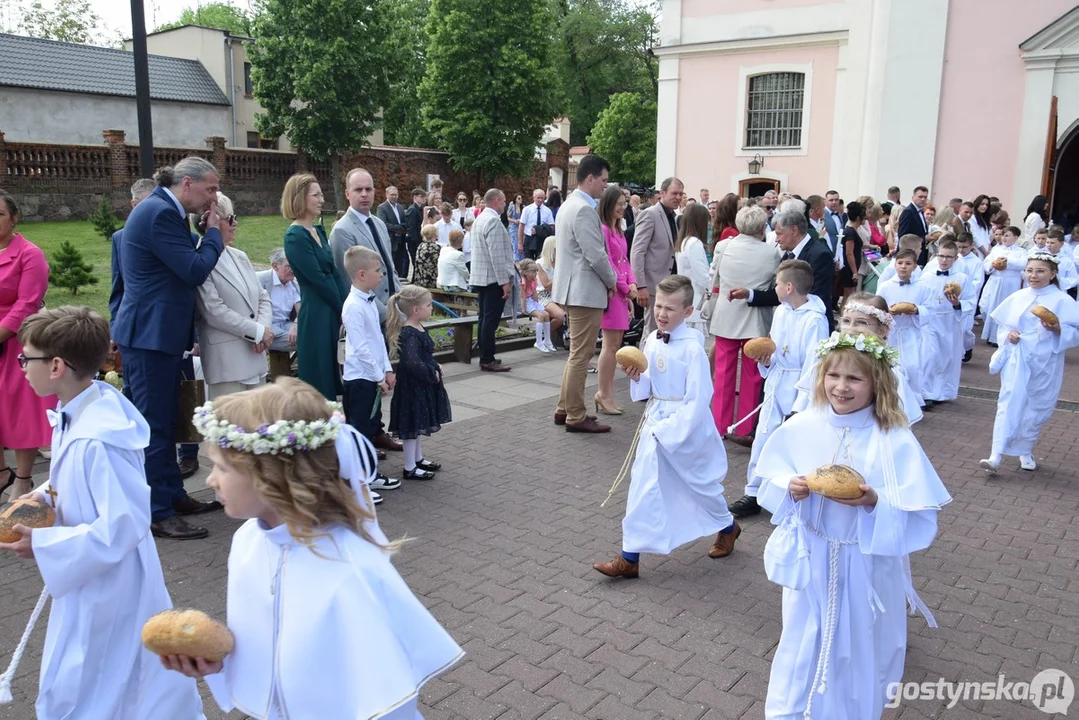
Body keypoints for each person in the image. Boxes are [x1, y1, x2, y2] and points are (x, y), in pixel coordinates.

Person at [164, 379, 463, 717]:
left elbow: (382, 696)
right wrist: (217, 664)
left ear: (271, 474)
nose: (210, 480)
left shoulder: (350, 571)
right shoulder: (248, 541)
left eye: (221, 467)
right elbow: (271, 651)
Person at [6, 306, 204, 717]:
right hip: (92, 576)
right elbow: (74, 477)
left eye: (27, 358)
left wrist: (44, 543)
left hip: (112, 585)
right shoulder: (83, 411)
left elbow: (125, 521)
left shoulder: (98, 438)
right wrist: (42, 497)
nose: (21, 366)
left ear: (56, 365)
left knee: (101, 678)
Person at [756, 332, 950, 718]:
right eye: (833, 376)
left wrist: (875, 502)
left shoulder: (894, 439)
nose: (841, 387)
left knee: (861, 646)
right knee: (803, 640)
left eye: (854, 379)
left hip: (866, 565)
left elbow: (918, 513)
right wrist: (789, 487)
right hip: (812, 559)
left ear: (876, 384)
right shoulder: (802, 426)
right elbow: (770, 481)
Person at [593, 275, 739, 579]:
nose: (661, 313)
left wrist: (671, 430)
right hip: (656, 418)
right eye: (659, 306)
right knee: (643, 486)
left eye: (670, 309)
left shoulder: (692, 349)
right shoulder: (651, 340)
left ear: (687, 312)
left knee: (698, 485)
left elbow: (699, 398)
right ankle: (629, 556)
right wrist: (636, 377)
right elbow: (649, 384)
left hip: (686, 427)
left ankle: (728, 525)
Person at [112, 158, 224, 540]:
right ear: (187, 183)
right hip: (148, 337)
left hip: (158, 335)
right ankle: (157, 511)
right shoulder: (159, 213)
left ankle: (173, 496)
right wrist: (213, 235)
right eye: (210, 189)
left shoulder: (165, 210)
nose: (214, 197)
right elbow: (193, 269)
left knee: (165, 422)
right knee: (153, 427)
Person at [728, 260, 828, 520]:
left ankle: (786, 497)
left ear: (789, 286)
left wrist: (799, 406)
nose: (775, 287)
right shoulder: (782, 311)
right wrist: (767, 361)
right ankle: (754, 492)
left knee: (791, 446)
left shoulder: (815, 320)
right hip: (776, 381)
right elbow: (775, 346)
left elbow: (814, 364)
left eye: (777, 284)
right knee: (763, 437)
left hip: (796, 387)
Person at [980, 252, 1079, 473]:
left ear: (1053, 274)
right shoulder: (1019, 296)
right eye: (1030, 270)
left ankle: (1025, 449)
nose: (1033, 276)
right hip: (1018, 356)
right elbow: (1004, 326)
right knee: (1008, 400)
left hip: (1047, 359)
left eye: (1040, 271)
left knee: (1037, 405)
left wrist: (1058, 328)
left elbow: (1075, 331)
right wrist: (1009, 335)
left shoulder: (1063, 300)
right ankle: (995, 453)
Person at [552, 155, 619, 433]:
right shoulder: (582, 209)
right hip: (584, 291)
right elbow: (596, 255)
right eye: (603, 180)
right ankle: (575, 415)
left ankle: (564, 408)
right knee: (582, 354)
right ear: (590, 178)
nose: (605, 186)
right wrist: (613, 280)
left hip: (574, 289)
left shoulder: (570, 205)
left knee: (577, 354)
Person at [0, 190, 54, 499]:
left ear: (14, 218)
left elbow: (28, 303)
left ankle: (22, 477)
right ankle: (1, 473)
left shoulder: (29, 254)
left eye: (0, 215)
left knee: (19, 410)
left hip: (18, 342)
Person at [193, 193, 272, 401]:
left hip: (255, 355)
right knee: (229, 428)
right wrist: (255, 332)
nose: (235, 222)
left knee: (259, 425)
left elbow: (262, 297)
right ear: (211, 221)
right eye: (230, 218)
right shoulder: (200, 259)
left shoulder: (240, 256)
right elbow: (213, 311)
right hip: (226, 362)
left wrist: (262, 331)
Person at [709, 206, 778, 441]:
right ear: (762, 227)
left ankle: (720, 424)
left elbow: (713, 277)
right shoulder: (771, 253)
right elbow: (773, 285)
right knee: (752, 375)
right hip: (756, 316)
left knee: (723, 372)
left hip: (727, 312)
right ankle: (744, 426)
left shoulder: (723, 246)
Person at [281, 173, 347, 402]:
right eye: (316, 195)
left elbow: (334, 271)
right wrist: (342, 307)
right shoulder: (295, 236)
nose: (321, 199)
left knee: (336, 373)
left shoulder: (317, 230)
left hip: (332, 308)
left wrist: (347, 304)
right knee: (320, 383)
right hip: (318, 313)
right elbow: (318, 279)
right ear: (300, 198)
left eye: (321, 194)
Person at [341, 246, 400, 499]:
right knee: (360, 431)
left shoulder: (368, 301)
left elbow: (377, 340)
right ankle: (358, 483)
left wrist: (387, 369)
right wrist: (378, 376)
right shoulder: (353, 305)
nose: (381, 275)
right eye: (378, 271)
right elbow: (361, 348)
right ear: (362, 274)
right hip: (360, 378)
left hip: (373, 374)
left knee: (371, 426)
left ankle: (371, 476)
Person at [385, 286, 450, 480]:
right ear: (415, 309)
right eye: (429, 305)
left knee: (417, 423)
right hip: (412, 387)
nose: (432, 308)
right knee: (411, 426)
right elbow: (411, 362)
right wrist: (432, 372)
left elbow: (422, 356)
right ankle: (409, 466)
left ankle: (418, 458)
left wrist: (434, 364)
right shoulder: (410, 333)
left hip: (420, 386)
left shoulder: (418, 328)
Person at [744, 202, 837, 331]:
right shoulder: (790, 254)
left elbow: (814, 296)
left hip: (811, 326)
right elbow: (780, 291)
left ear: (794, 230)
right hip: (792, 323)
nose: (776, 239)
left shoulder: (819, 255)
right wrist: (749, 294)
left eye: (779, 233)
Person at [329, 169, 401, 323]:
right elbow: (350, 281)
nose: (364, 194)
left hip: (395, 307)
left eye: (368, 189)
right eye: (358, 189)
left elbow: (389, 267)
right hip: (370, 315)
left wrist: (401, 306)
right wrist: (386, 316)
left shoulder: (379, 224)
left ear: (374, 192)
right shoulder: (342, 230)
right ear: (348, 194)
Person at [596, 185, 637, 414]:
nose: (623, 208)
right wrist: (625, 288)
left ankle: (606, 393)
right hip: (612, 293)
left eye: (624, 203)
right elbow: (608, 263)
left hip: (621, 291)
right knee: (610, 347)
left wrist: (631, 283)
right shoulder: (603, 230)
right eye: (619, 204)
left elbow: (624, 261)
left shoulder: (618, 230)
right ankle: (604, 393)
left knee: (615, 345)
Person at [917, 239, 974, 405]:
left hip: (949, 321)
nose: (944, 260)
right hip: (930, 321)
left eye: (948, 257)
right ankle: (926, 393)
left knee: (947, 357)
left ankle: (941, 392)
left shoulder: (962, 278)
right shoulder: (927, 276)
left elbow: (970, 300)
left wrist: (957, 304)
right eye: (941, 256)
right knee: (929, 355)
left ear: (955, 259)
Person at [470, 189, 516, 373]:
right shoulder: (493, 221)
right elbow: (497, 255)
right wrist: (504, 281)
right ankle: (487, 359)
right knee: (490, 321)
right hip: (493, 279)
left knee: (484, 319)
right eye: (504, 201)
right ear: (496, 200)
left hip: (482, 276)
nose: (505, 204)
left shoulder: (480, 219)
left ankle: (486, 356)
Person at [630, 177, 683, 337]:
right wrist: (641, 286)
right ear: (662, 193)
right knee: (651, 332)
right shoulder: (650, 214)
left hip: (670, 284)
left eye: (681, 194)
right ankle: (643, 362)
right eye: (674, 193)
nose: (678, 198)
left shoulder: (674, 217)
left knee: (665, 331)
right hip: (653, 285)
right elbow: (637, 251)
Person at [876, 249, 931, 400]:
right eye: (900, 263)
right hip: (892, 333)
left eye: (908, 263)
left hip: (911, 332)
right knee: (892, 367)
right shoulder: (886, 286)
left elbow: (930, 308)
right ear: (895, 265)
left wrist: (916, 309)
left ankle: (913, 399)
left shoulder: (922, 287)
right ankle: (891, 398)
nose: (903, 267)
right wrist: (887, 313)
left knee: (913, 367)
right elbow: (877, 306)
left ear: (915, 266)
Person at [108, 178, 156, 323]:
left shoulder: (182, 237)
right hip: (135, 320)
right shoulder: (119, 239)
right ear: (135, 205)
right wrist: (115, 326)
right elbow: (118, 287)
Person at [980, 226, 1028, 345]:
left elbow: (1023, 264)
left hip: (1010, 283)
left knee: (1006, 310)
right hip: (995, 281)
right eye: (1003, 235)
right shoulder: (996, 250)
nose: (1004, 238)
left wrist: (1007, 260)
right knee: (986, 306)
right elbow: (986, 264)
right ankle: (990, 333)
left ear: (1015, 237)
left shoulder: (1021, 251)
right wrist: (992, 264)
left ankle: (999, 338)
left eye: (1007, 235)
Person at [673, 203, 710, 334]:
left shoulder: (684, 241)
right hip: (696, 297)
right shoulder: (694, 243)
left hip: (687, 294)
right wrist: (712, 289)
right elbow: (702, 276)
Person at [257, 248, 301, 353]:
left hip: (286, 324)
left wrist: (296, 325)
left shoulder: (294, 284)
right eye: (289, 266)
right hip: (268, 325)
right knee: (305, 341)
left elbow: (301, 309)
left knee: (311, 334)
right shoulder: (259, 279)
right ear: (275, 266)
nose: (293, 270)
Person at [953, 233, 984, 361]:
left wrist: (965, 290)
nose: (961, 250)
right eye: (959, 247)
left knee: (966, 327)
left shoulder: (976, 262)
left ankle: (968, 346)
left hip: (967, 298)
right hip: (954, 298)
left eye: (964, 247)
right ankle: (958, 352)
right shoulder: (955, 259)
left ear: (971, 246)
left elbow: (978, 281)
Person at [517, 259, 556, 353]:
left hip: (531, 301)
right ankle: (538, 341)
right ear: (525, 272)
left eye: (536, 271)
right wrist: (524, 309)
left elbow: (534, 293)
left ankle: (547, 340)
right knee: (540, 316)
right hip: (525, 302)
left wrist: (537, 304)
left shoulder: (534, 280)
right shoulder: (522, 282)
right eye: (533, 271)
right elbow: (522, 296)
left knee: (546, 314)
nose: (536, 273)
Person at [535, 236, 565, 348]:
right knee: (560, 315)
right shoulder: (540, 263)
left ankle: (554, 338)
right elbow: (546, 285)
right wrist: (560, 274)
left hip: (558, 294)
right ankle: (545, 337)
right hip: (543, 295)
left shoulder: (559, 262)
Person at [376, 185, 408, 277]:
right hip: (391, 241)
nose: (394, 197)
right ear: (386, 194)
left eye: (396, 195)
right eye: (392, 194)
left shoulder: (400, 207)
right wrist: (398, 229)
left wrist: (401, 230)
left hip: (401, 242)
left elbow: (405, 223)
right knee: (391, 266)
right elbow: (383, 224)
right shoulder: (382, 208)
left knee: (400, 266)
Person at [839, 201, 867, 299]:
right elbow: (849, 253)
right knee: (848, 295)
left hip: (850, 268)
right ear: (859, 218)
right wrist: (855, 272)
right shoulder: (850, 232)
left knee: (849, 295)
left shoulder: (851, 231)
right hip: (849, 269)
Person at [518, 188, 555, 260]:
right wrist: (520, 243)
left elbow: (552, 226)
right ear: (534, 197)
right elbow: (521, 226)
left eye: (542, 198)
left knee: (540, 262)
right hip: (529, 238)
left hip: (541, 239)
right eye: (538, 198)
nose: (540, 200)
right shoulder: (527, 209)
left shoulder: (547, 211)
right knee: (528, 262)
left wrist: (539, 229)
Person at [898, 186, 930, 264]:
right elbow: (903, 235)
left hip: (920, 252)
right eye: (920, 197)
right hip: (910, 254)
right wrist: (924, 238)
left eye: (925, 197)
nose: (923, 199)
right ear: (913, 197)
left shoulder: (920, 211)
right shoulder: (908, 212)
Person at [1046, 228, 1078, 296]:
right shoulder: (1040, 257)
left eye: (1052, 243)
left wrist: (1057, 280)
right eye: (1047, 242)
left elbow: (1074, 279)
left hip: (1059, 292)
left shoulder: (1067, 261)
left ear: (1061, 244)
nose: (1049, 245)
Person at [403, 187, 427, 275]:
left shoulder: (420, 209)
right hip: (413, 241)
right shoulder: (412, 209)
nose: (424, 198)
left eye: (424, 196)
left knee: (418, 262)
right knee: (415, 261)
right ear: (415, 197)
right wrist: (417, 241)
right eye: (421, 196)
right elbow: (411, 227)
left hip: (417, 239)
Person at [412, 224, 441, 289]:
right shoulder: (436, 248)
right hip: (431, 281)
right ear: (434, 234)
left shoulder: (420, 245)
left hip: (420, 280)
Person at [507, 193, 524, 260]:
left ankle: (521, 257)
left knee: (521, 241)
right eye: (519, 198)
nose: (520, 200)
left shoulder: (523, 207)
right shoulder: (512, 207)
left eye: (521, 198)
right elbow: (508, 217)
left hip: (520, 227)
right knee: (514, 243)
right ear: (515, 199)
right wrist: (514, 221)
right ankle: (515, 258)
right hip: (513, 227)